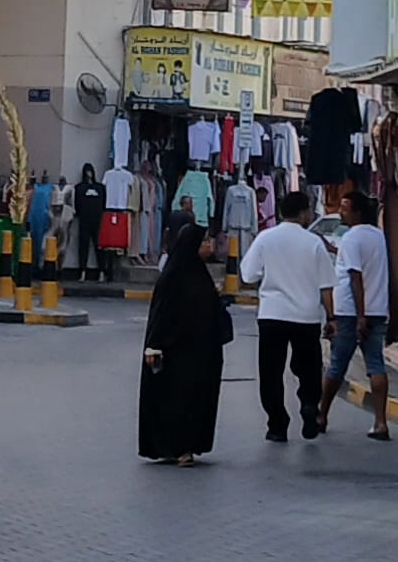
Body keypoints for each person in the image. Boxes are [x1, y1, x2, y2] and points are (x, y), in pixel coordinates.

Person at [240, 189, 335, 444]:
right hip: (306, 316)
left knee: (271, 372)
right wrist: (332, 318)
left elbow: (248, 274)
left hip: (272, 314)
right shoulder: (314, 243)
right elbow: (326, 286)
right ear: (304, 213)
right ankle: (309, 404)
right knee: (309, 368)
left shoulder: (265, 238)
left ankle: (277, 424)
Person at [138, 216, 233, 464]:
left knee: (198, 399)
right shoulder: (172, 276)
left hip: (203, 353)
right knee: (179, 399)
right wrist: (153, 347)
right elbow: (160, 313)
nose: (209, 245)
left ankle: (189, 444)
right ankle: (181, 449)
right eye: (204, 242)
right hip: (177, 353)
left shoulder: (199, 274)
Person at [320, 179, 391, 441]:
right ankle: (381, 422)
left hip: (351, 313)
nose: (340, 212)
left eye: (345, 208)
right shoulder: (378, 236)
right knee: (376, 364)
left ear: (357, 213)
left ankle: (321, 415)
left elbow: (355, 277)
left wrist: (360, 315)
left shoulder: (351, 238)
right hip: (378, 308)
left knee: (337, 365)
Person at [71, 162, 105, 284]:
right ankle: (82, 272)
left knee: (99, 246)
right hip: (84, 220)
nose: (89, 174)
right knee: (83, 247)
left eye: (90, 171)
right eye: (87, 171)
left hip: (97, 220)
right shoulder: (79, 188)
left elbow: (103, 203)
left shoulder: (100, 188)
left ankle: (102, 272)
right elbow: (77, 204)